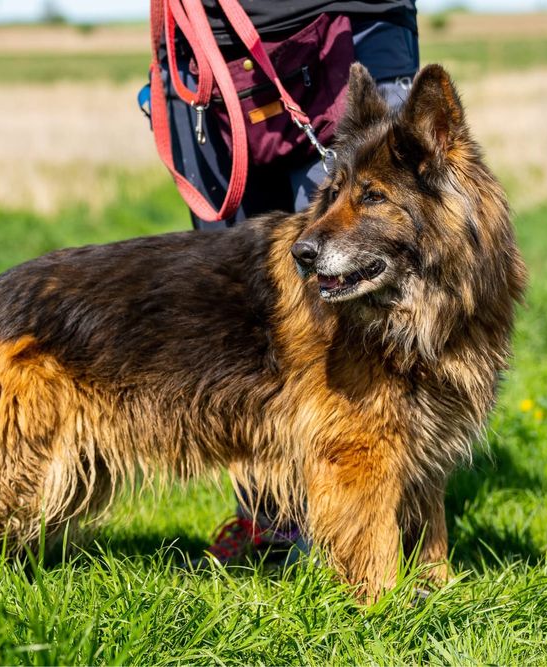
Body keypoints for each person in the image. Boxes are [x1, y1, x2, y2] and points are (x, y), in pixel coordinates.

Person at [142, 0, 420, 566]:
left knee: (385, 319)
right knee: (253, 328)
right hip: (211, 61)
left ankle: (389, 538)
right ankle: (274, 527)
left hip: (352, 29)